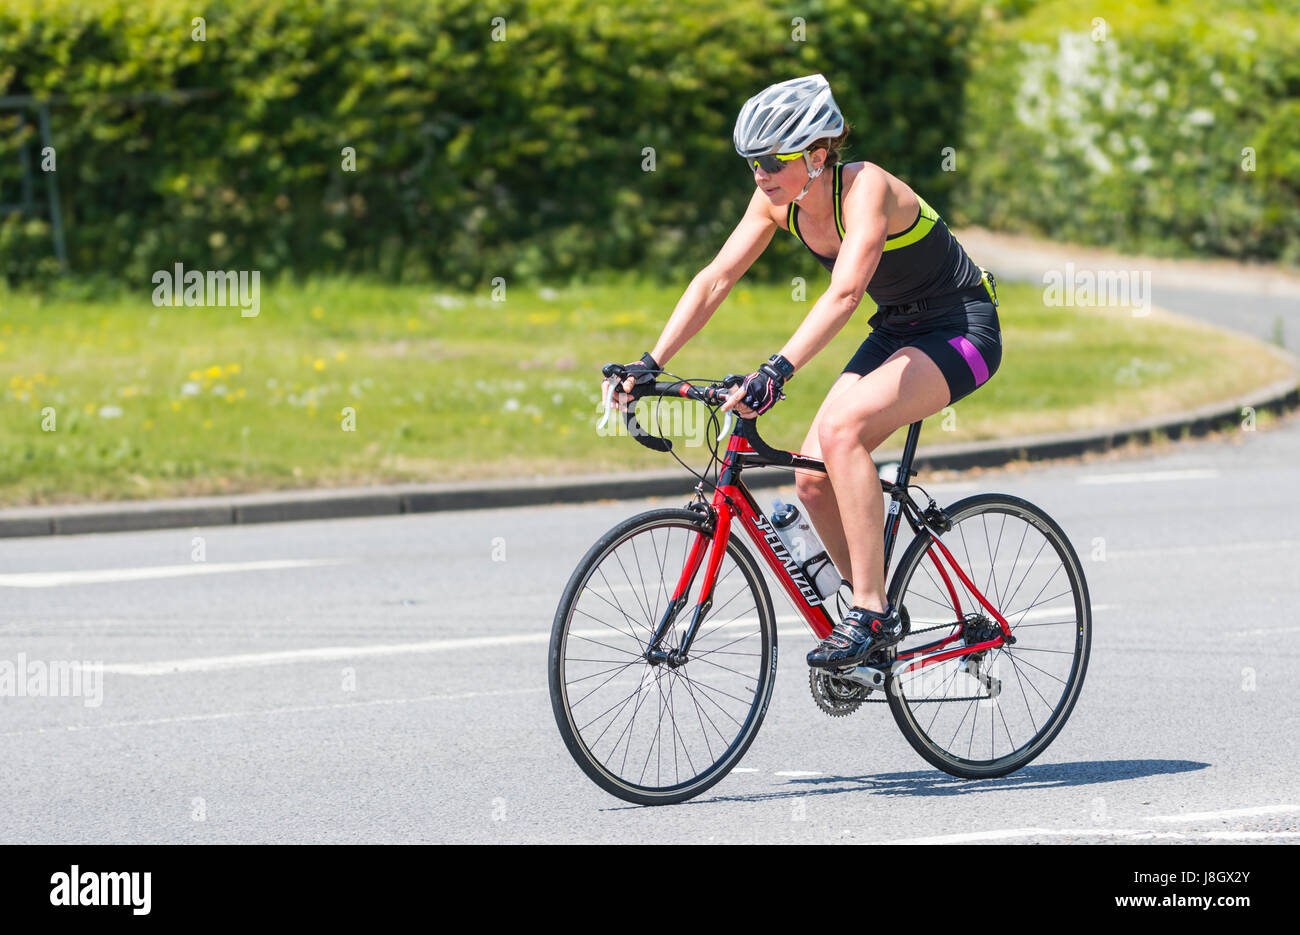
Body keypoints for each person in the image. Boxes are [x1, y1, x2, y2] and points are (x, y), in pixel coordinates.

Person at [604, 73, 1002, 670]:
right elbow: (716, 278)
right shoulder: (776, 202)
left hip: (961, 328)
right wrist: (651, 361)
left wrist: (776, 370)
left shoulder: (867, 189)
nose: (760, 174)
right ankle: (876, 610)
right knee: (814, 478)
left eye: (771, 160)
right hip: (897, 327)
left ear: (817, 156)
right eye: (751, 162)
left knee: (843, 433)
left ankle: (869, 611)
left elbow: (845, 295)